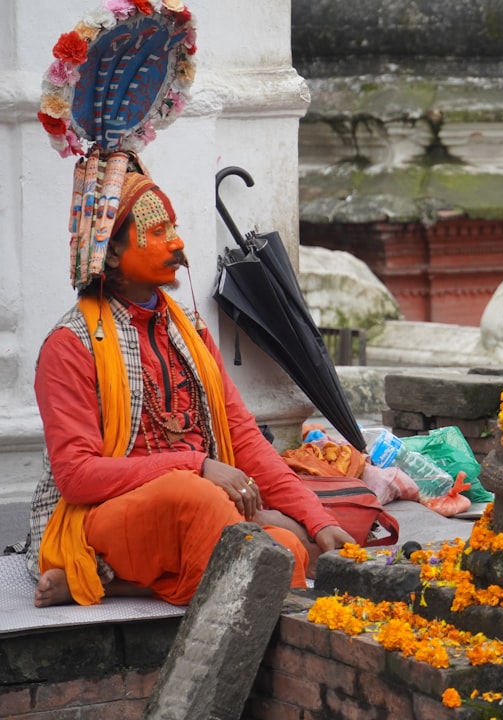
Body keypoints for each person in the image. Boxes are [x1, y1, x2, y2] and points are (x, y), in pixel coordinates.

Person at [25, 158, 355, 608]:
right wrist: (196, 465)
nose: (178, 243)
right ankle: (100, 570)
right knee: (196, 497)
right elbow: (77, 477)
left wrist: (317, 519)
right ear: (113, 253)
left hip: (207, 506)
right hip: (101, 518)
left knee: (289, 548)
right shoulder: (70, 344)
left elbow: (242, 436)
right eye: (158, 232)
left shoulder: (191, 331)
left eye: (174, 229)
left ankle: (114, 585)